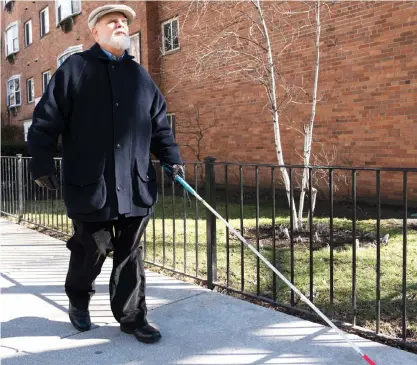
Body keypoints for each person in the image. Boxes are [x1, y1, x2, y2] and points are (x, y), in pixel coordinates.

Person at [27, 4, 184, 344]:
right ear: (94, 32)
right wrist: (41, 164)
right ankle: (79, 301)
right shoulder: (74, 69)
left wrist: (172, 159)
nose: (120, 25)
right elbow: (44, 122)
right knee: (90, 252)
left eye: (124, 22)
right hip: (90, 187)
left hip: (136, 187)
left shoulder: (140, 77)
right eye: (111, 21)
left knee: (130, 257)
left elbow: (159, 125)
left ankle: (132, 318)